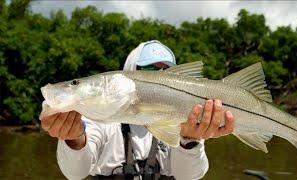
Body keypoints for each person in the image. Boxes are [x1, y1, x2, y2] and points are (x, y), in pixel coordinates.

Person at [41, 40, 235, 180]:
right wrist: (74, 139)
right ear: (130, 71)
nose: (159, 76)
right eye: (149, 70)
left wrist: (190, 141)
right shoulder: (98, 120)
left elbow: (190, 176)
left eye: (166, 72)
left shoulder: (184, 123)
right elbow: (74, 173)